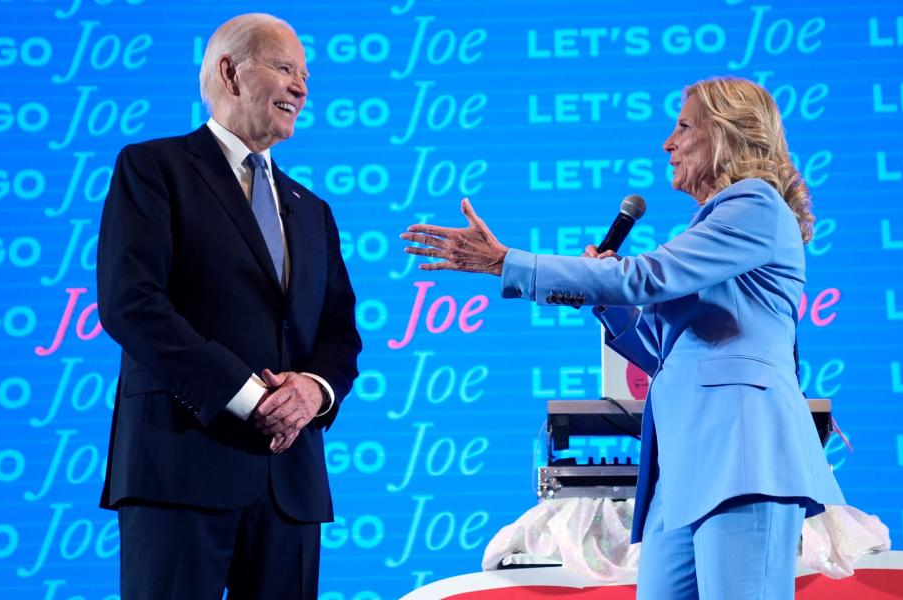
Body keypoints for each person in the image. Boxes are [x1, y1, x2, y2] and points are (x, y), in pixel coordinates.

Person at [400, 76, 844, 599]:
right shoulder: (712, 228)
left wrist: (507, 263)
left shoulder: (755, 206)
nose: (667, 143)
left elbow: (644, 277)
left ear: (727, 134)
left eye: (683, 127)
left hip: (742, 457)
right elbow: (663, 352)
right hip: (681, 474)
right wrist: (604, 299)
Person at [96, 13, 361, 599]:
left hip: (289, 482)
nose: (302, 88)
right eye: (286, 69)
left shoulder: (312, 208)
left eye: (306, 76)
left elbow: (340, 333)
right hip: (179, 465)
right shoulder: (153, 168)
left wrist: (312, 391)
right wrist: (250, 397)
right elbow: (131, 304)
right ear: (231, 73)